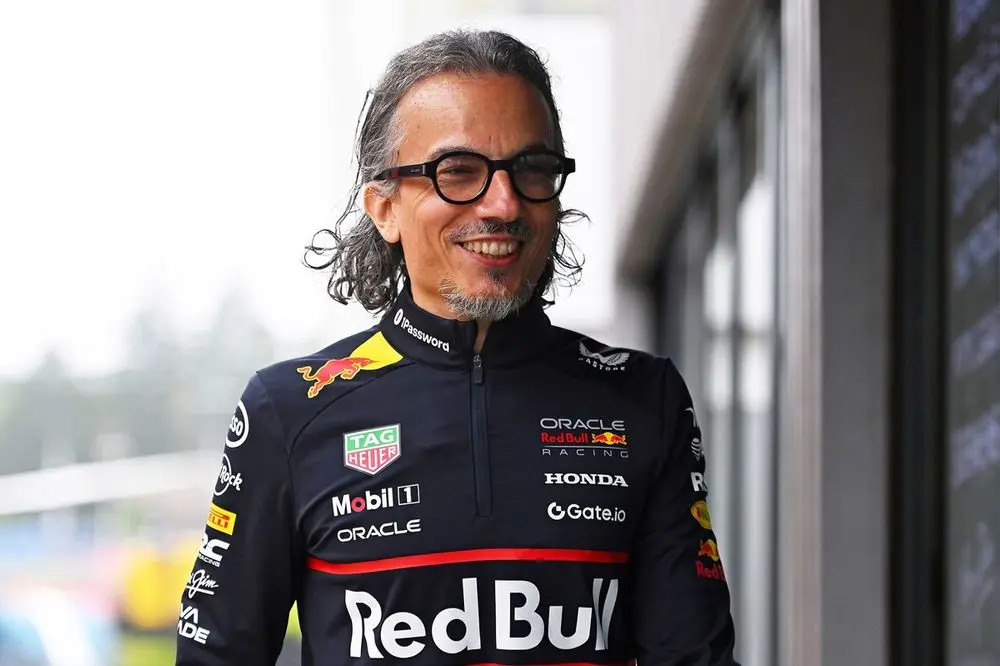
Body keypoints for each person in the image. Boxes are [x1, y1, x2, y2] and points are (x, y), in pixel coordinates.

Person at [175, 28, 740, 666]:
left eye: (531, 169)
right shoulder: (288, 410)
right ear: (384, 207)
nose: (503, 203)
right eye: (458, 172)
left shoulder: (643, 398)